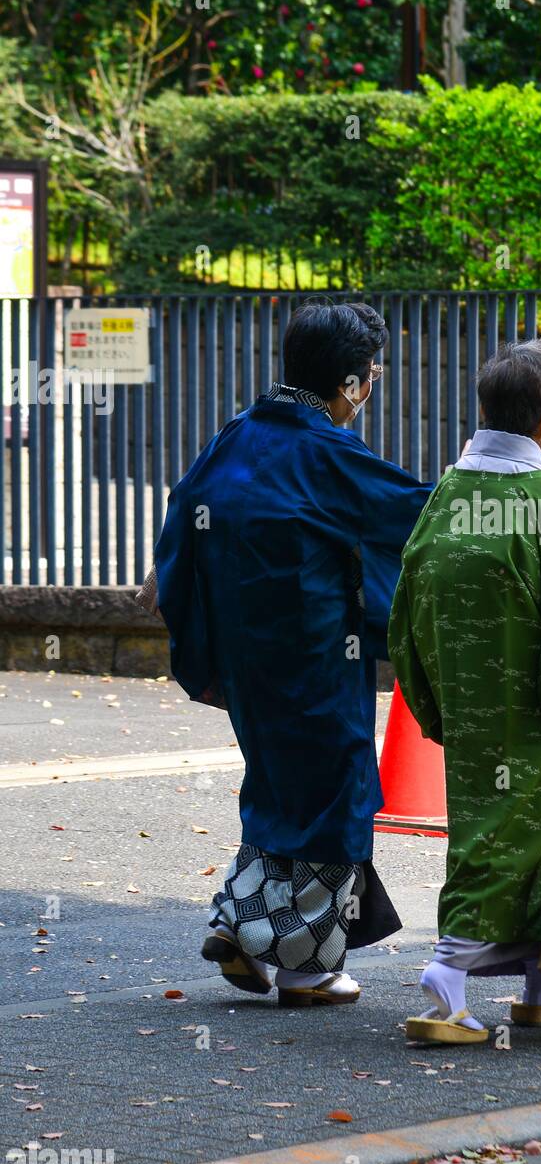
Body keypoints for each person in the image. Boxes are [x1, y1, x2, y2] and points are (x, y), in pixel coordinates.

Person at [155, 300, 430, 1006]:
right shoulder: (325, 452)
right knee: (338, 796)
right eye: (372, 374)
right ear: (350, 383)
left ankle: (238, 926)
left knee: (279, 792)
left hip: (246, 662)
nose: (372, 387)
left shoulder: (235, 436)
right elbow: (418, 515)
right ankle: (304, 967)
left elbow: (181, 526)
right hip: (315, 659)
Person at [388, 338, 541, 1044]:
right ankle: (447, 973)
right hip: (537, 711)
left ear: (482, 409)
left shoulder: (446, 498)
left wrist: (432, 698)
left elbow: (406, 608)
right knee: (511, 839)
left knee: (526, 836)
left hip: (467, 710)